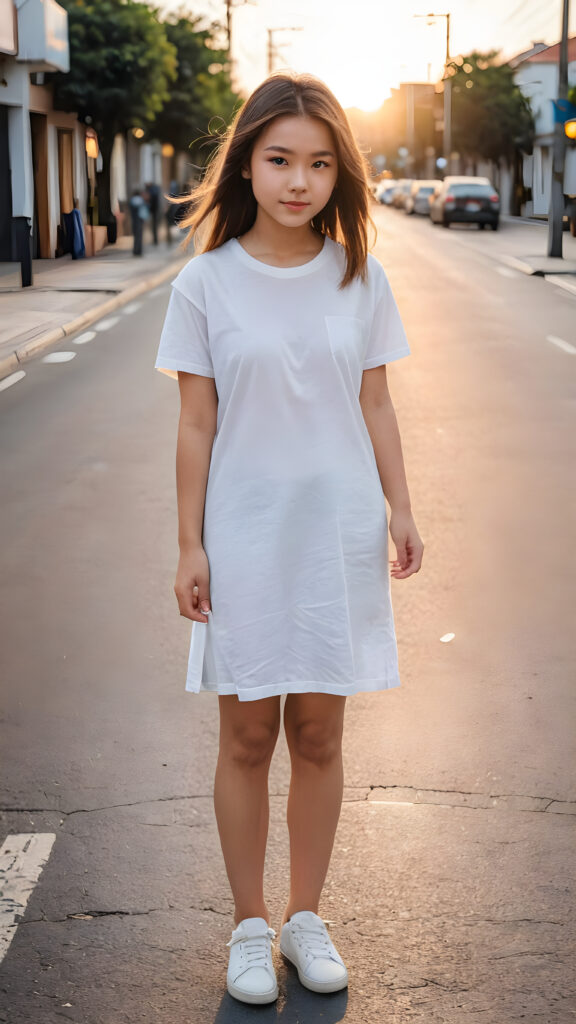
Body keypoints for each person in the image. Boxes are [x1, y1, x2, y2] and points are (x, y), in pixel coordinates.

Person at [154, 70, 424, 1006]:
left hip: (335, 532)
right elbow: (196, 423)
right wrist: (189, 544)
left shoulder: (360, 276)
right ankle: (248, 925)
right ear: (248, 166)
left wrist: (402, 505)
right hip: (243, 534)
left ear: (338, 174)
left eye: (317, 163)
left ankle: (306, 917)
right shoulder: (205, 280)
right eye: (279, 160)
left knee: (317, 732)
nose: (298, 181)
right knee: (242, 738)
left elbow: (377, 402)